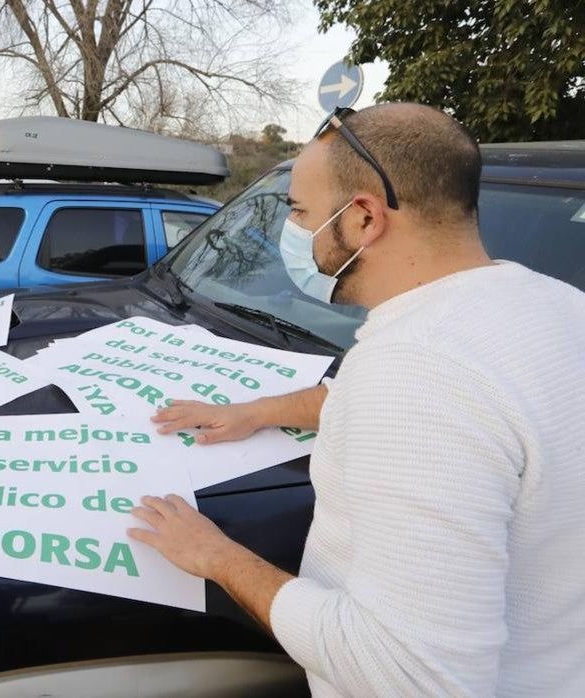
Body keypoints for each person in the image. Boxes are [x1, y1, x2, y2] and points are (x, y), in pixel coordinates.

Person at [129, 103, 585, 695]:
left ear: (365, 217)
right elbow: (463, 406)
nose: (290, 231)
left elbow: (409, 675)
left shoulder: (414, 374)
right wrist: (256, 412)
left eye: (299, 211)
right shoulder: (552, 305)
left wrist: (216, 556)